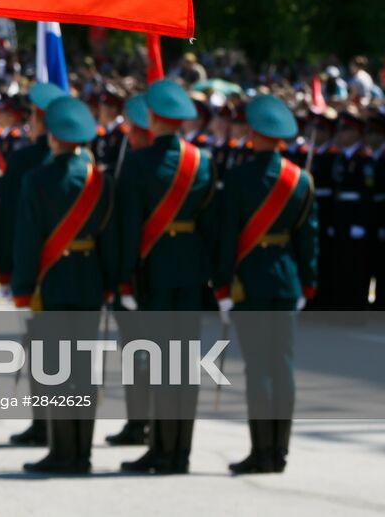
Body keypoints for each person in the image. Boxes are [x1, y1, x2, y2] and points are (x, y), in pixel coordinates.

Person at [12, 95, 118, 474]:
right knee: (83, 373)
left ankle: (61, 452)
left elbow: (27, 240)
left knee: (56, 372)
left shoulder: (37, 179)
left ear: (53, 137)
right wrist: (109, 283)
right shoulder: (100, 180)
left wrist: (22, 289)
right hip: (89, 282)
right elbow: (110, 240)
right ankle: (82, 454)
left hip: (51, 284)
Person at [212, 95, 317, 474]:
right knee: (283, 368)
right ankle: (279, 451)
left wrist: (222, 287)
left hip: (250, 283)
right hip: (286, 281)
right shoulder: (300, 180)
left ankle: (261, 450)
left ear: (254, 134)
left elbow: (226, 238)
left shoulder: (238, 178)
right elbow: (308, 239)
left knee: (258, 370)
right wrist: (308, 283)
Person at [116, 79, 217, 475]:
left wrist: (125, 278)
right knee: (184, 366)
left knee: (160, 364)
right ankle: (180, 452)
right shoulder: (203, 161)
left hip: (153, 271)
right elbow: (210, 224)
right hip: (190, 272)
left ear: (152, 118)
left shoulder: (138, 162)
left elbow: (127, 227)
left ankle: (160, 449)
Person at [0, 80, 65, 447]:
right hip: (73, 267)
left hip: (34, 266)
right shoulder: (84, 161)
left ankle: (42, 424)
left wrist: (6, 270)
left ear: (39, 120)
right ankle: (64, 429)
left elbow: (9, 220)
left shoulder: (22, 160)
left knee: (39, 347)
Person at [106, 93, 153, 448]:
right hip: (169, 276)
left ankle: (140, 423)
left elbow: (123, 229)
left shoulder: (133, 169)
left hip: (136, 276)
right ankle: (152, 427)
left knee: (138, 353)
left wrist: (119, 279)